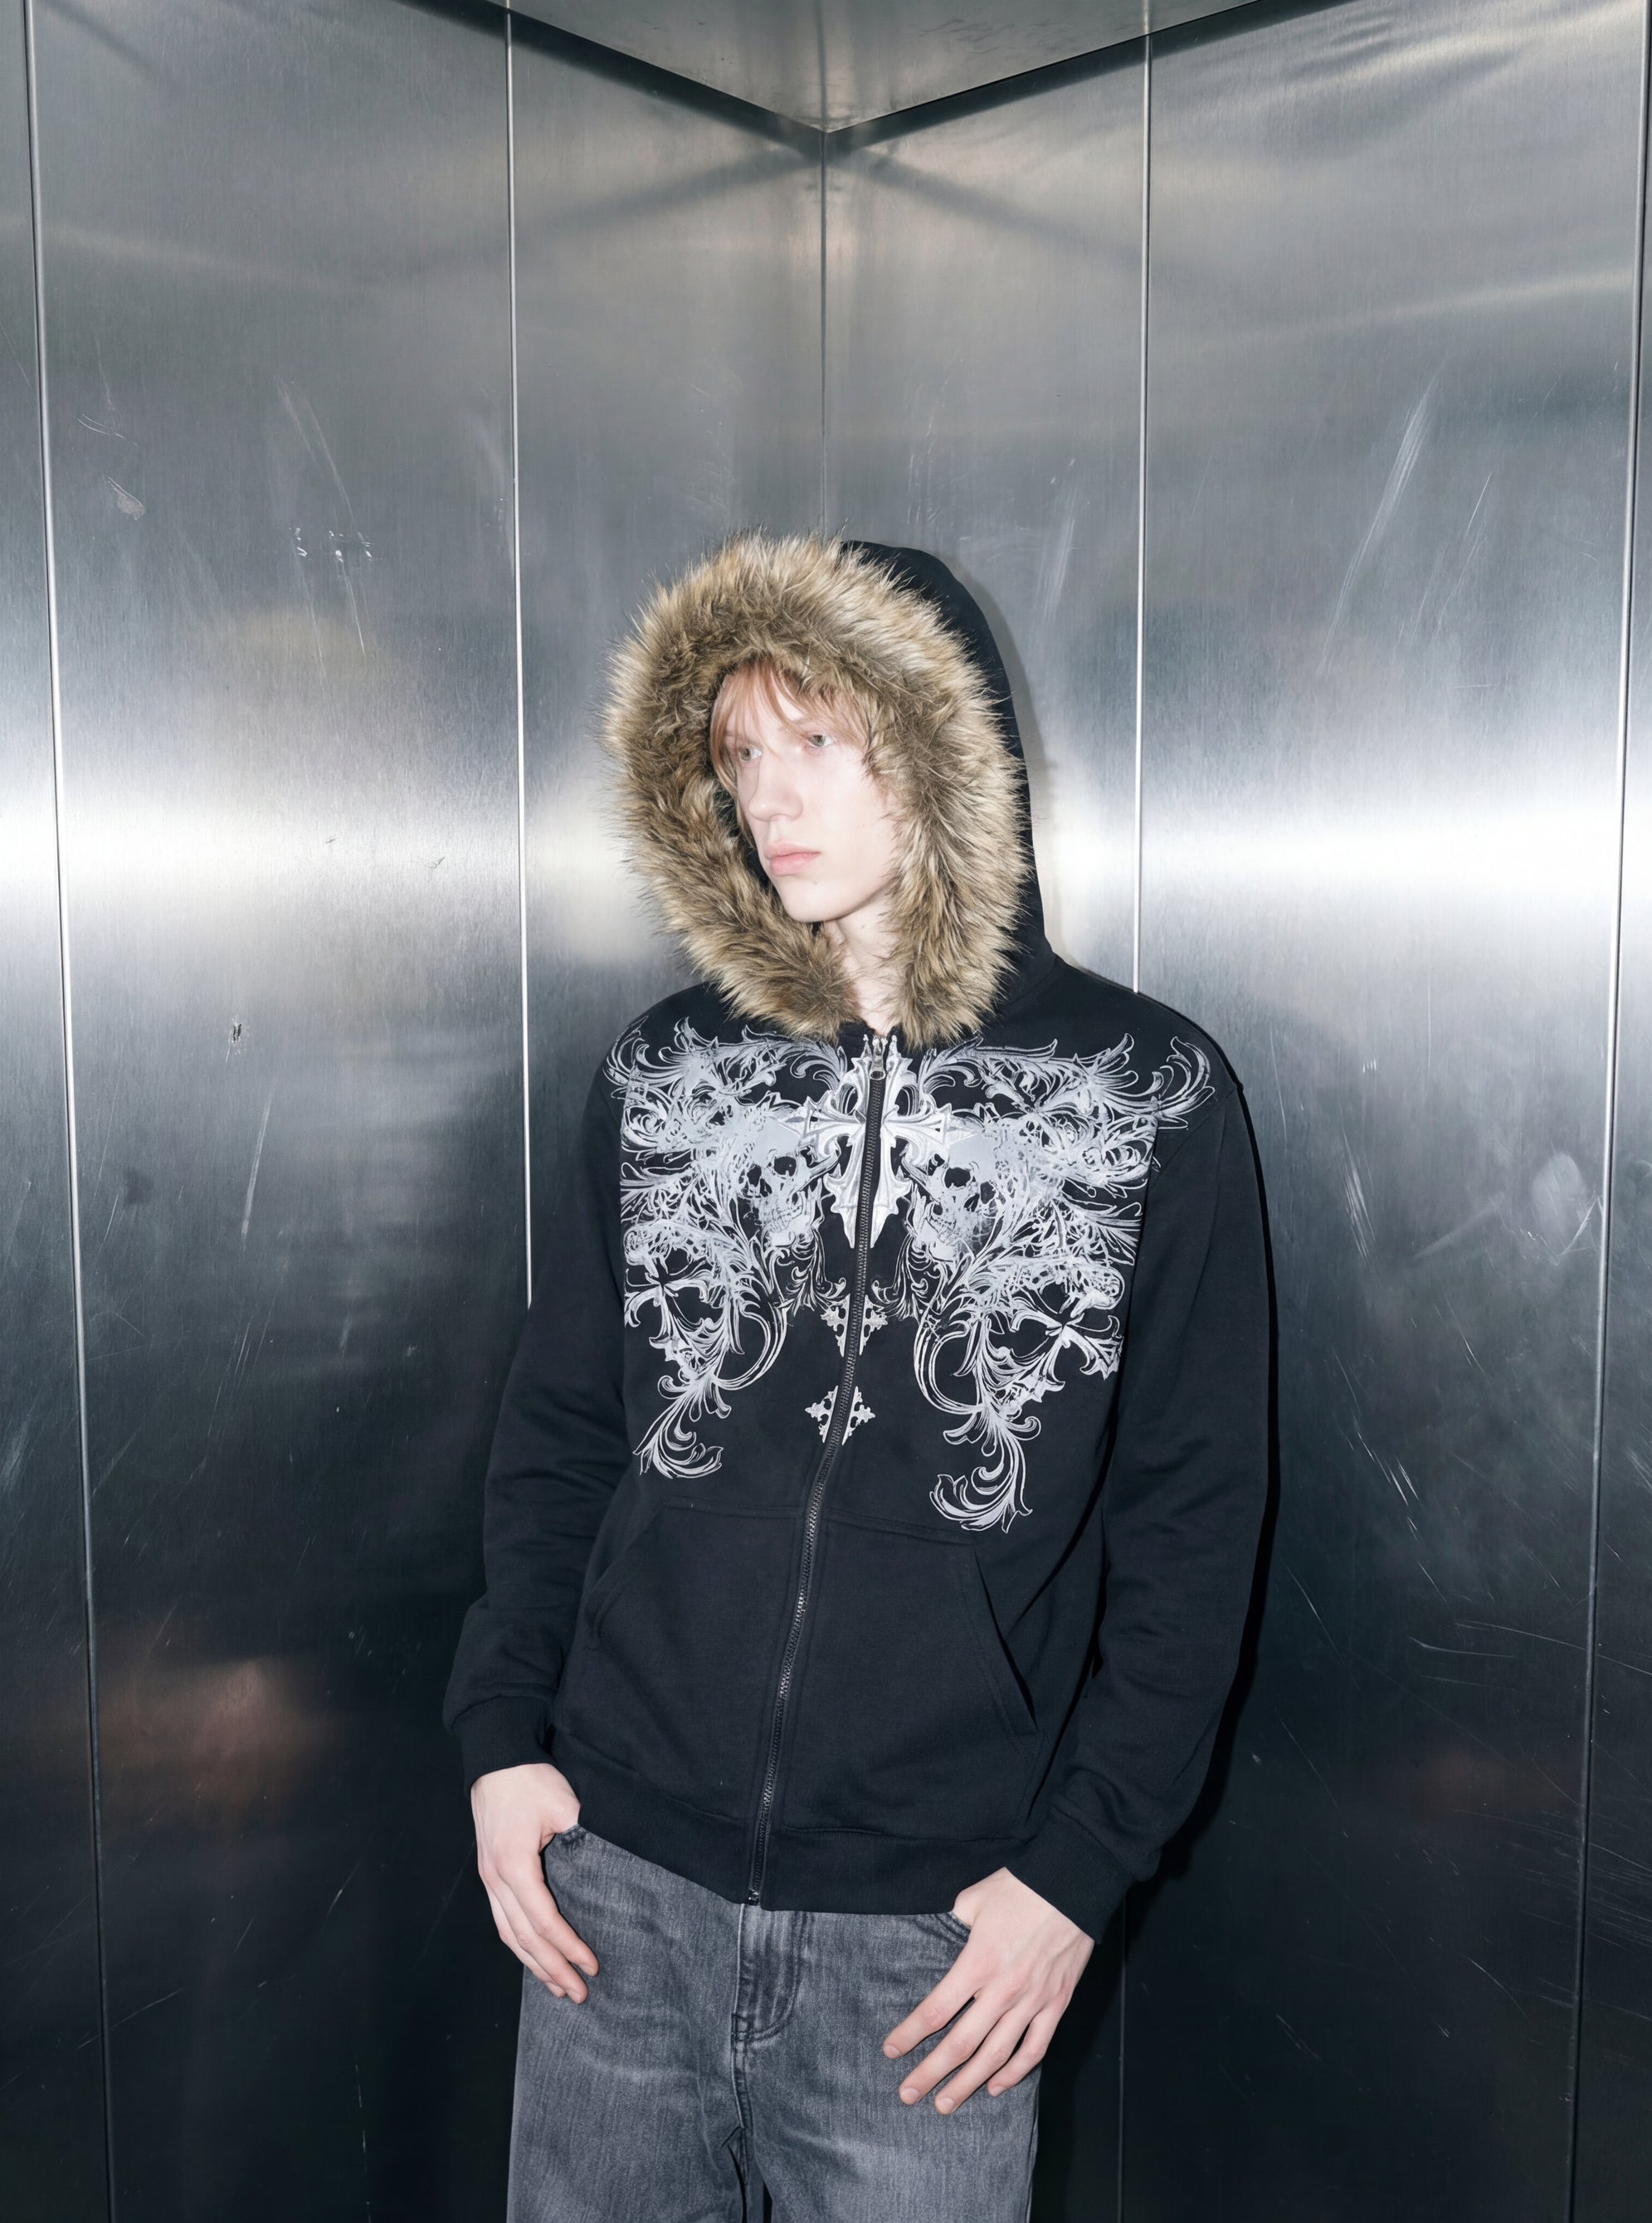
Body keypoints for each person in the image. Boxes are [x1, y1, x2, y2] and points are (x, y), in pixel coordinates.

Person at [442, 532, 1270, 2221]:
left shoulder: (1146, 1091)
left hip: (932, 1947)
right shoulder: (665, 1071)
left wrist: (1076, 1872)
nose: (770, 795)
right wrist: (498, 1737)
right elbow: (561, 1434)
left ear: (944, 748)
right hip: (618, 1892)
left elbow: (1194, 1520)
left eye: (819, 738)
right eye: (741, 751)